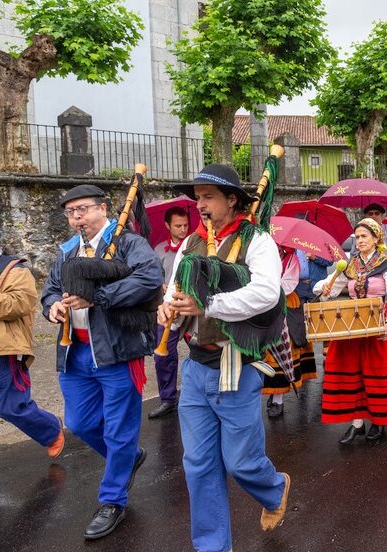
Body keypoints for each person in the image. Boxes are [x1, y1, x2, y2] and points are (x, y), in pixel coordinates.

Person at [158, 164, 290, 550]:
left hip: (236, 364)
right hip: (196, 364)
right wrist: (167, 307)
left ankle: (274, 487)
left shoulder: (257, 240)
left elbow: (267, 292)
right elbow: (176, 288)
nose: (199, 204)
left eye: (209, 196)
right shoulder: (192, 242)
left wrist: (208, 305)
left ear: (232, 200)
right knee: (197, 466)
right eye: (197, 197)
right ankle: (212, 546)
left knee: (241, 462)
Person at [41, 185, 161, 539]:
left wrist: (100, 297)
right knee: (79, 423)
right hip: (74, 352)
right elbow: (49, 289)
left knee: (119, 429)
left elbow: (149, 278)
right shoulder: (67, 251)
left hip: (117, 351)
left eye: (82, 209)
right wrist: (52, 307)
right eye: (70, 212)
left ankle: (112, 501)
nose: (76, 217)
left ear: (103, 209)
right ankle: (126, 457)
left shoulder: (127, 242)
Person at [314, 218, 387, 444]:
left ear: (377, 238)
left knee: (376, 376)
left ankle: (379, 420)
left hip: (379, 325)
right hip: (353, 326)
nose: (358, 241)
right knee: (353, 375)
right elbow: (331, 287)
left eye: (363, 236)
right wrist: (324, 288)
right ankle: (357, 423)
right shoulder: (349, 264)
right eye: (356, 237)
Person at [0, 226, 64, 478]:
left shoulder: (16, 270)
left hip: (2, 350)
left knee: (9, 405)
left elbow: (17, 305)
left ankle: (50, 429)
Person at [262, 247, 328, 418]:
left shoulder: (291, 259)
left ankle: (278, 399)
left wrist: (267, 290)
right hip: (263, 305)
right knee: (266, 353)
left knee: (284, 350)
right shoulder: (260, 258)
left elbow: (289, 283)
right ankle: (272, 391)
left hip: (285, 303)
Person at [149, 206, 190, 419]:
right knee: (162, 356)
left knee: (207, 351)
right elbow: (152, 276)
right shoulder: (158, 249)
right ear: (167, 226)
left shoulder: (194, 245)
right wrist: (160, 287)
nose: (183, 229)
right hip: (169, 307)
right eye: (178, 226)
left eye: (185, 225)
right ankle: (167, 399)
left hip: (192, 309)